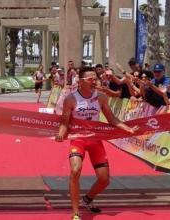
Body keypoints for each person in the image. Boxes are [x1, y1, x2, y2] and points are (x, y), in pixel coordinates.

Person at [55, 67, 138, 220]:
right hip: (78, 139)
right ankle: (75, 213)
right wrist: (61, 133)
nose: (94, 81)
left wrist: (129, 129)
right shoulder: (71, 99)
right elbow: (64, 123)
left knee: (104, 179)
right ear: (80, 82)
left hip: (95, 141)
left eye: (95, 78)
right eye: (90, 79)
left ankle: (87, 199)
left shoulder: (100, 97)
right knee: (75, 170)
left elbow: (112, 119)